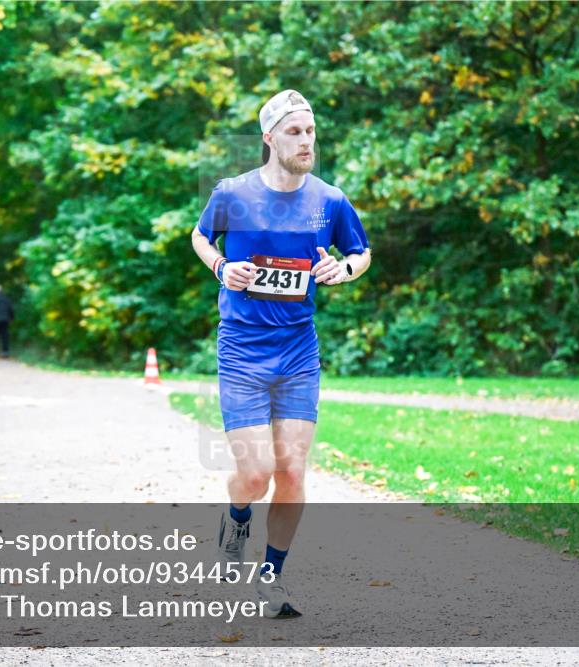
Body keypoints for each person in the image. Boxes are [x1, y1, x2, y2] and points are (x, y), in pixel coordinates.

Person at [191, 89, 371, 617]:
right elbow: (200, 238)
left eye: (310, 131)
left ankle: (271, 577)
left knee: (291, 470)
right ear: (269, 138)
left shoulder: (329, 200)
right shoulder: (232, 193)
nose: (306, 141)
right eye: (294, 132)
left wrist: (344, 269)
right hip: (242, 349)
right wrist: (222, 267)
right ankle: (235, 518)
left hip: (297, 351)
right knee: (256, 473)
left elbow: (360, 252)